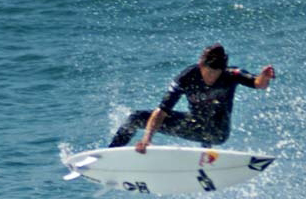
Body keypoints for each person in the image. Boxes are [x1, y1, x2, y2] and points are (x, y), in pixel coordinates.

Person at [109, 43, 275, 152]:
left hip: (218, 132)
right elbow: (162, 111)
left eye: (216, 74)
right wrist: (147, 140)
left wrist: (265, 77)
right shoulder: (187, 77)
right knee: (135, 118)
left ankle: (207, 152)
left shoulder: (231, 74)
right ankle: (109, 156)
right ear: (201, 65)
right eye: (209, 73)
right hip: (194, 125)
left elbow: (258, 83)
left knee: (214, 114)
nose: (212, 78)